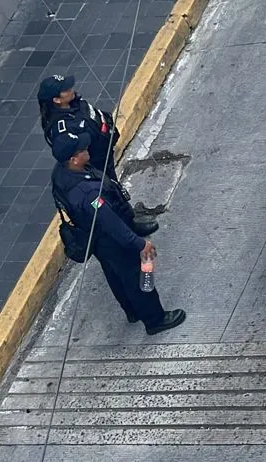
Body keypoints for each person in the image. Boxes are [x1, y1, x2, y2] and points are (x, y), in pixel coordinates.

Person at [51, 132, 186, 334]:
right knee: (138, 277)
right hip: (112, 240)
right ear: (74, 159)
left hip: (97, 239)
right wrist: (140, 244)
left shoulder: (61, 174)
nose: (87, 149)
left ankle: (132, 311)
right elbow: (112, 224)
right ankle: (155, 319)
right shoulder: (88, 194)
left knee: (115, 275)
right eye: (82, 149)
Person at [38, 73, 158, 236]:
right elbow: (68, 149)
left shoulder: (76, 104)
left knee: (114, 187)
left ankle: (128, 220)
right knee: (109, 197)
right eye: (65, 89)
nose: (70, 89)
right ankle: (128, 227)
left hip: (104, 155)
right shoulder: (61, 128)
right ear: (57, 100)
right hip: (93, 165)